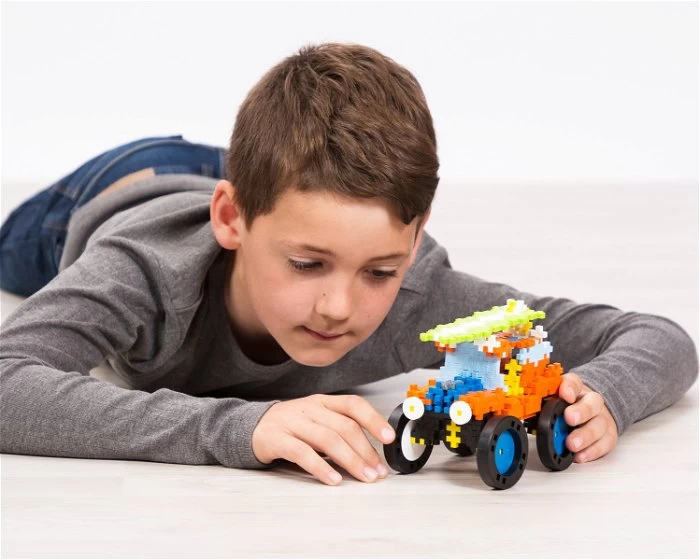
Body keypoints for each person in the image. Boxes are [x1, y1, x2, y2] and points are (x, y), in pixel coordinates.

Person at [0, 43, 697, 487]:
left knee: (292, 188)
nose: (339, 307)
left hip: (259, 187)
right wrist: (237, 428)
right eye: (308, 264)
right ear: (231, 220)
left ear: (415, 241)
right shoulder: (142, 273)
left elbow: (658, 337)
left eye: (379, 271)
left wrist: (605, 394)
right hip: (118, 185)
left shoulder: (421, 298)